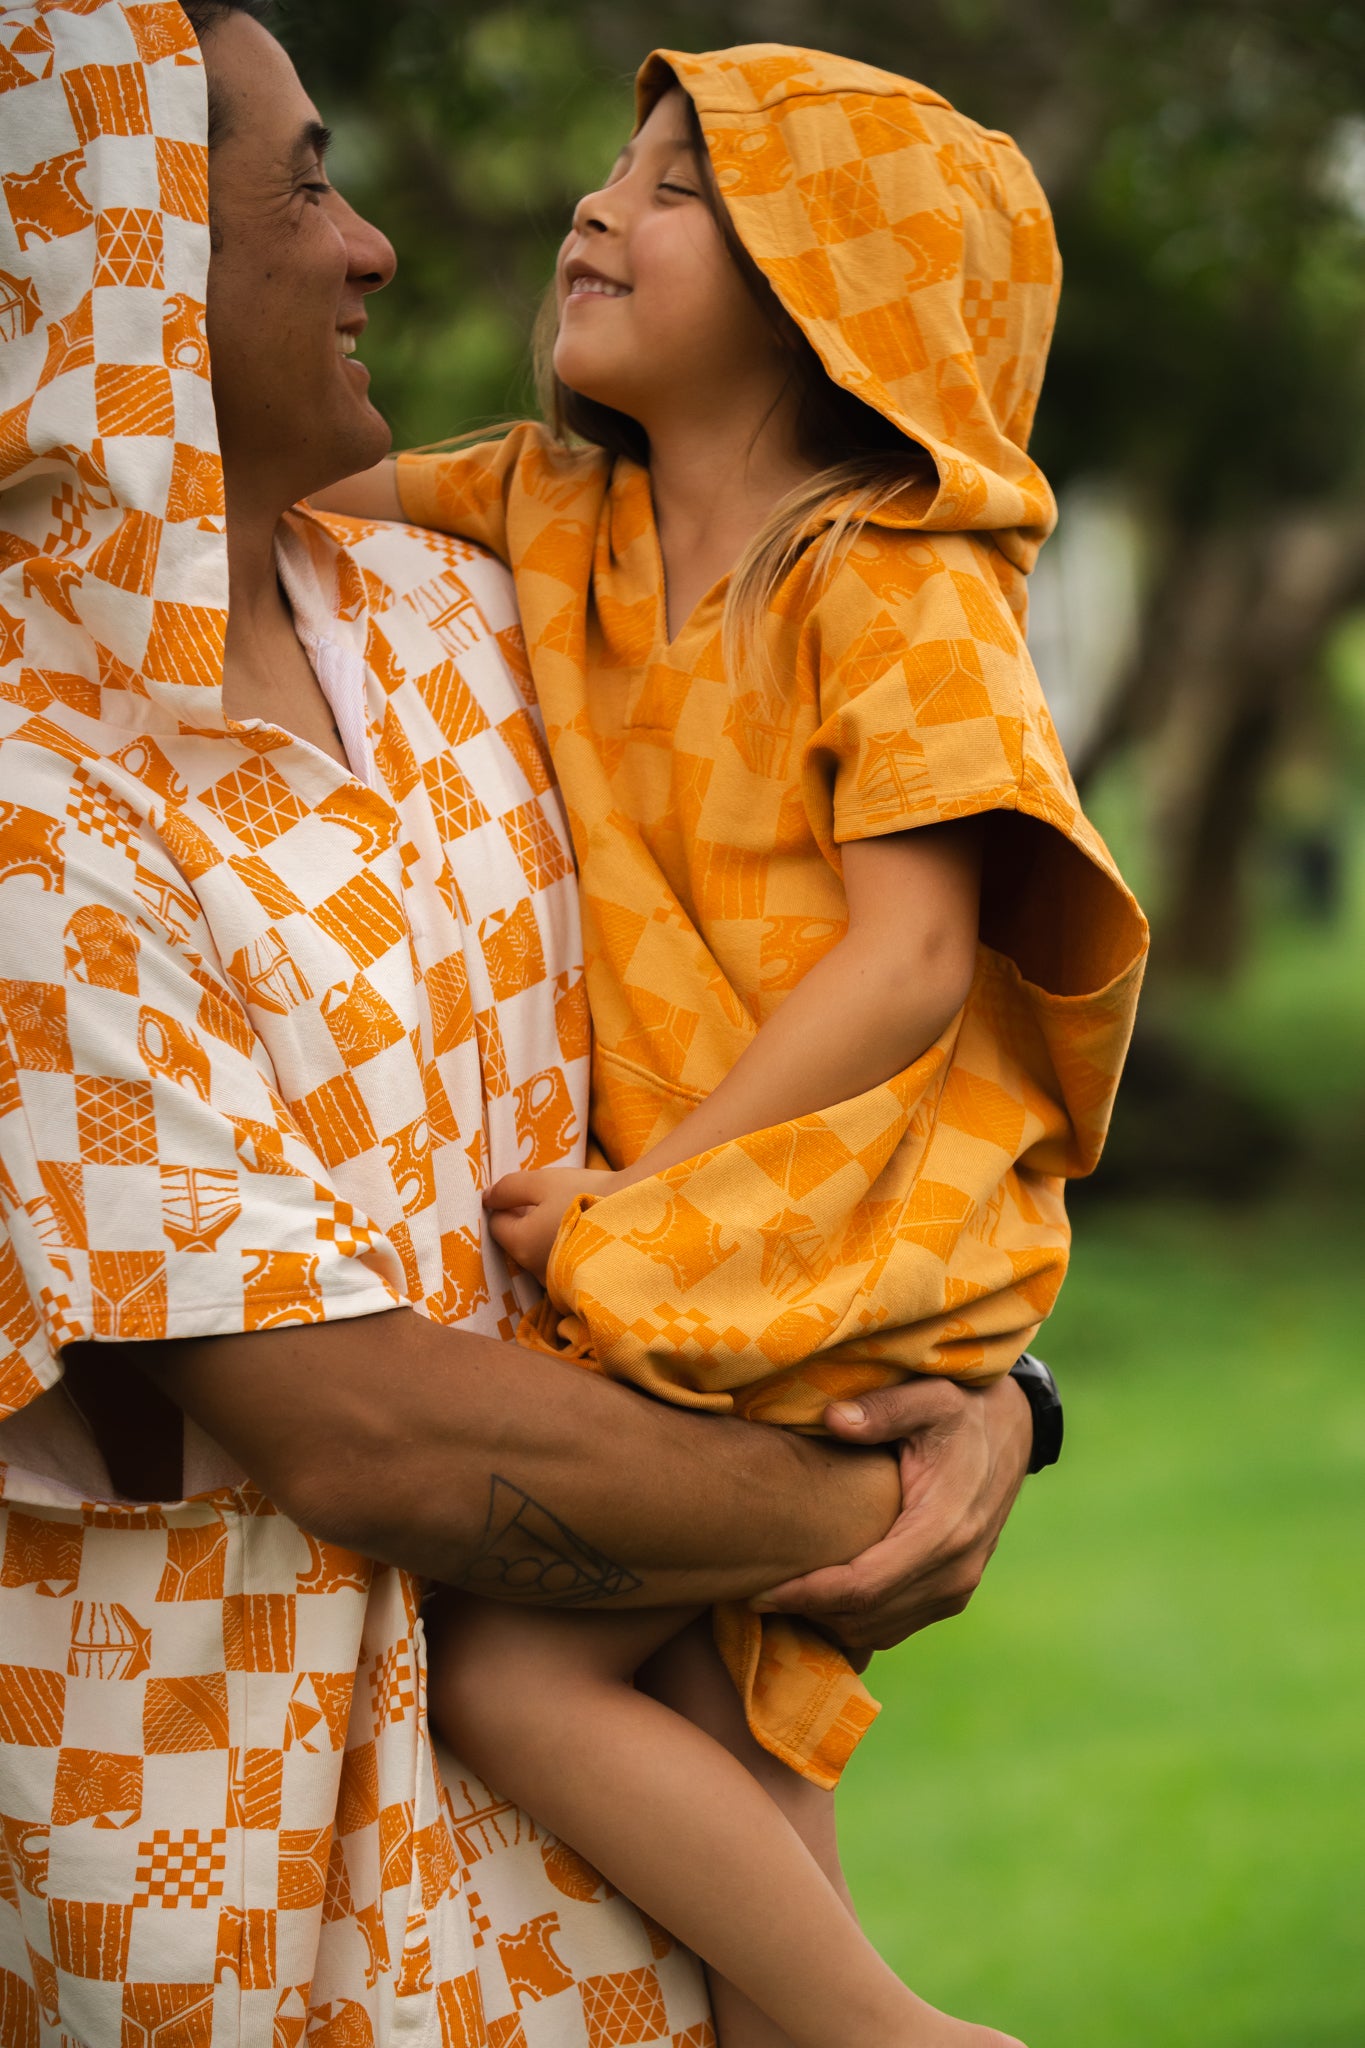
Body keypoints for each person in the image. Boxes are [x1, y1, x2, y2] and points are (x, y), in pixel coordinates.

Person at [0, 5, 1041, 2041]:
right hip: (251, 1909)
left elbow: (795, 963)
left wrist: (992, 1389)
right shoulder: (35, 791)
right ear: (108, 250)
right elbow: (375, 1434)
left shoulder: (477, 614)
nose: (377, 245)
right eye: (304, 180)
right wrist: (877, 1494)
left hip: (598, 1932)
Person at [320, 43, 1148, 2048]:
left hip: (828, 1219)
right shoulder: (544, 515)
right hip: (695, 1249)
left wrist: (653, 1186)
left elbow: (906, 959)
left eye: (684, 185)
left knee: (518, 1677)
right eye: (615, 167)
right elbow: (260, 486)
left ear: (836, 278)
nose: (599, 204)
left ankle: (902, 2038)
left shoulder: (884, 578)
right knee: (723, 1726)